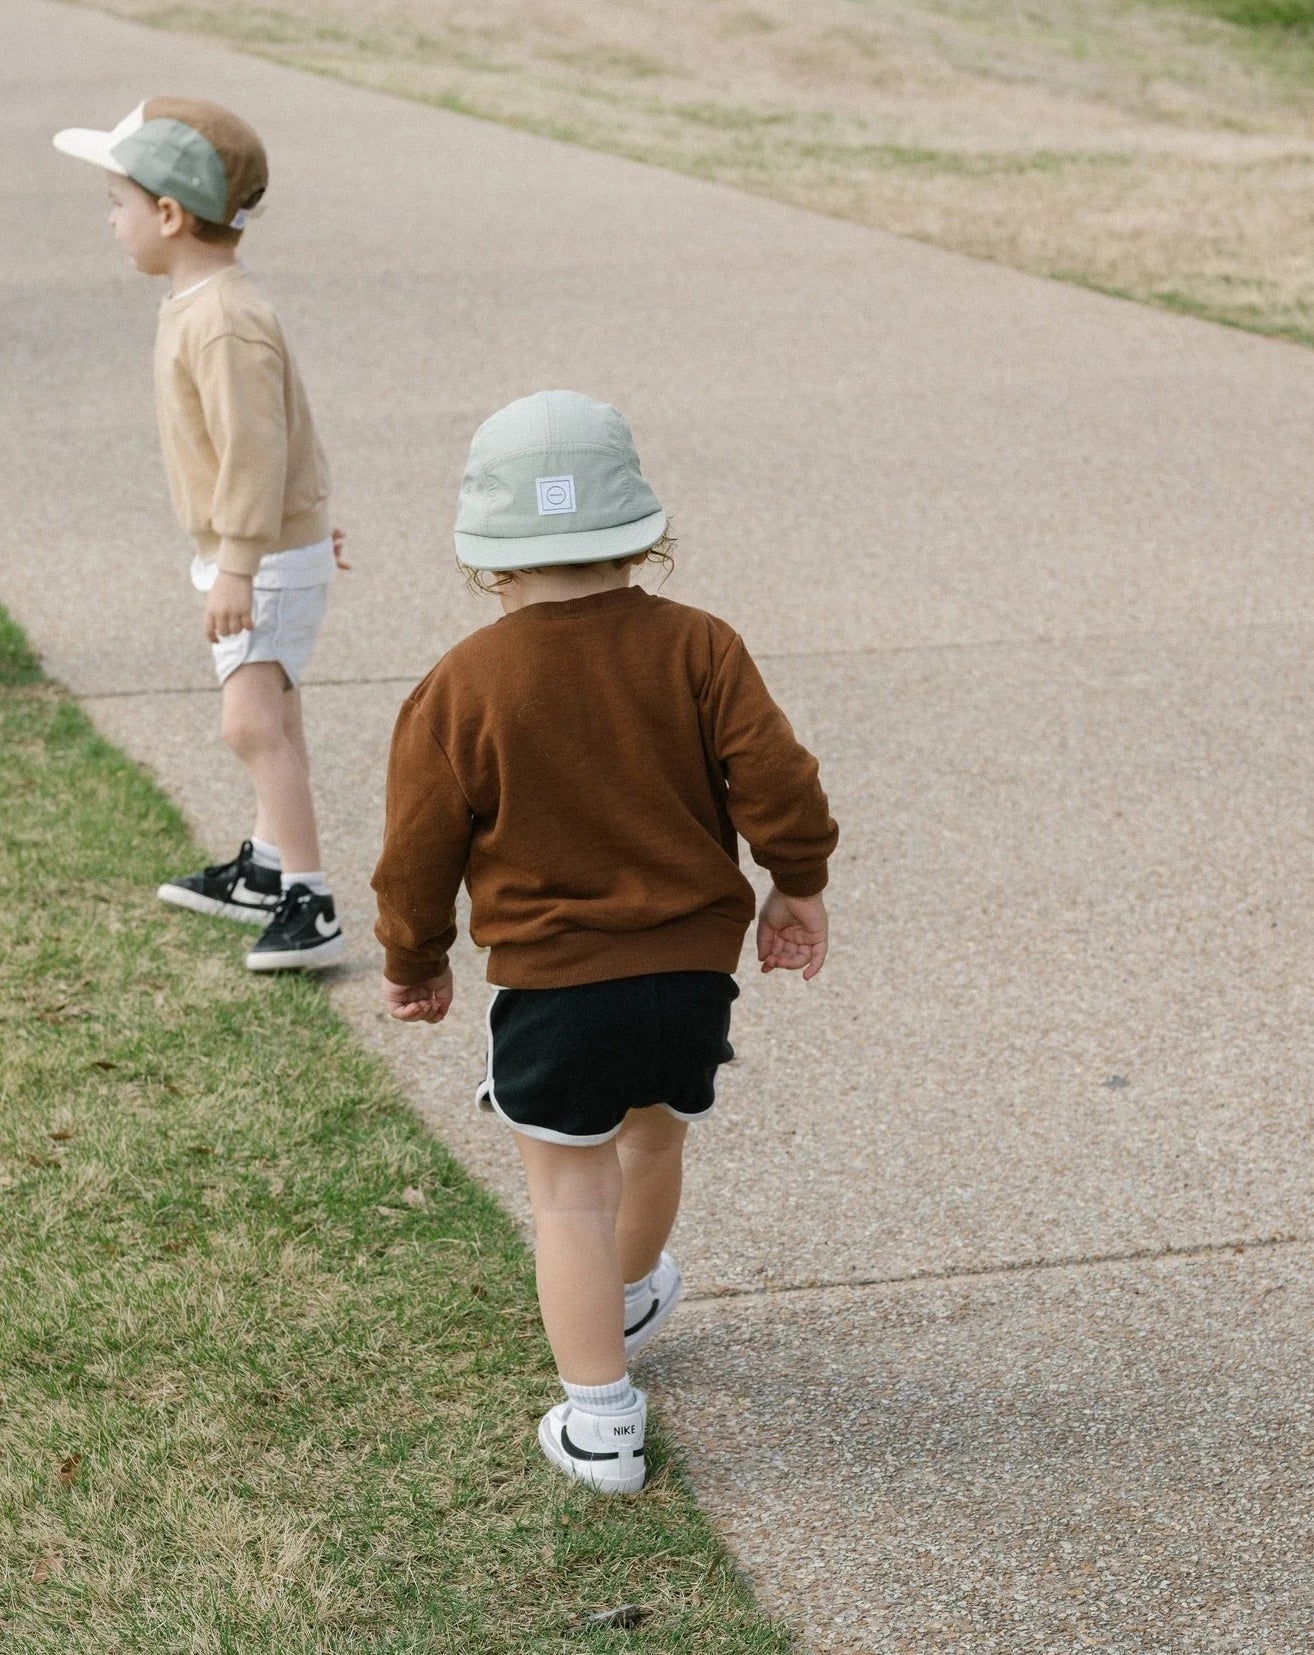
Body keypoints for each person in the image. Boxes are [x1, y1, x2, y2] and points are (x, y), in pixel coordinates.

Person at [373, 391, 838, 1493]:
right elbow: (779, 781)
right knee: (655, 1139)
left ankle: (600, 1418)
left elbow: (416, 847)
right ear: (638, 530)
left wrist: (413, 956)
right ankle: (629, 1293)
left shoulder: (461, 686)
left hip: (556, 982)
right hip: (689, 975)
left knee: (567, 1195)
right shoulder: (701, 646)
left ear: (490, 558)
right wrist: (797, 884)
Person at [52, 99, 345, 971]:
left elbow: (257, 447)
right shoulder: (203, 302)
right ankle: (263, 870)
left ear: (170, 216)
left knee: (252, 723)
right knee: (275, 715)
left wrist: (241, 565)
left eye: (117, 203)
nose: (112, 221)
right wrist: (310, 519)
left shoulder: (220, 319)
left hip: (255, 557)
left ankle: (310, 899)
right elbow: (285, 429)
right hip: (267, 548)